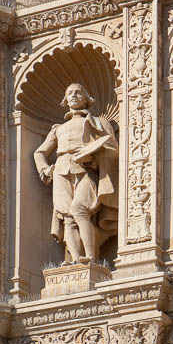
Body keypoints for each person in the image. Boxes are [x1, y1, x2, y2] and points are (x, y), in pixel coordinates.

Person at [34, 83, 118, 264]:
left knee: (79, 209)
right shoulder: (58, 129)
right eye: (69, 93)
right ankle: (75, 260)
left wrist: (95, 158)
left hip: (86, 169)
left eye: (78, 92)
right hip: (61, 170)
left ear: (87, 98)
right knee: (68, 218)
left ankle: (91, 257)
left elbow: (112, 147)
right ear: (65, 100)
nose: (74, 95)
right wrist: (45, 168)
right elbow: (39, 152)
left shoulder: (98, 122)